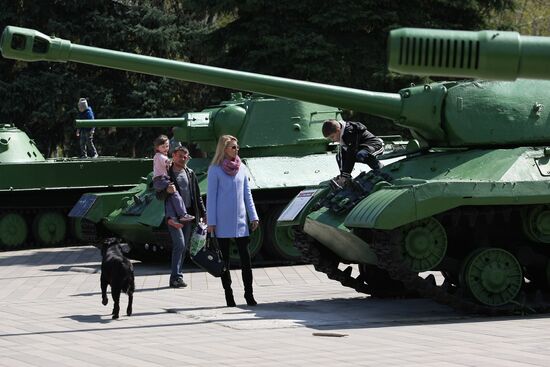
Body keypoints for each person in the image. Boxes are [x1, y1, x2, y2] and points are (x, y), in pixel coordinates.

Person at [207, 135, 259, 307]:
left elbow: (247, 194)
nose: (237, 150)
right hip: (222, 221)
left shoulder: (241, 167)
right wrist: (211, 222)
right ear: (224, 149)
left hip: (241, 221)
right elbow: (211, 198)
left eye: (237, 147)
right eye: (233, 147)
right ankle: (229, 295)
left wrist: (254, 216)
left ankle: (249, 294)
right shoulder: (215, 169)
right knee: (225, 262)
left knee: (246, 260)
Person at [163, 144, 206, 288]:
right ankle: (175, 277)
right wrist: (166, 191)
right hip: (173, 215)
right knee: (179, 244)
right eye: (179, 156)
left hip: (187, 215)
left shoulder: (190, 173)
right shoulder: (167, 173)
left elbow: (197, 195)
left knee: (183, 246)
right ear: (173, 156)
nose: (182, 159)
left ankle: (177, 277)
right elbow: (157, 193)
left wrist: (203, 213)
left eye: (185, 156)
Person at [322, 118, 384, 186]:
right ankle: (347, 180)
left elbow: (350, 155)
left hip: (374, 146)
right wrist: (343, 175)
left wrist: (344, 176)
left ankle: (379, 169)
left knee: (361, 155)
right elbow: (343, 155)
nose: (332, 140)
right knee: (339, 157)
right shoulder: (342, 134)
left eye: (332, 137)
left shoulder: (350, 131)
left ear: (338, 130)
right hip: (359, 148)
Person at [152, 135, 195, 227]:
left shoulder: (158, 156)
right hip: (161, 179)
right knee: (175, 193)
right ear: (157, 147)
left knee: (170, 198)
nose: (166, 148)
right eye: (163, 146)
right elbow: (169, 162)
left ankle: (171, 218)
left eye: (167, 146)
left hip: (159, 180)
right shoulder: (160, 156)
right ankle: (183, 214)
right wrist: (182, 160)